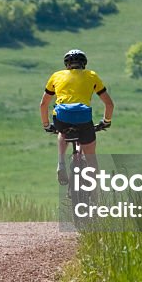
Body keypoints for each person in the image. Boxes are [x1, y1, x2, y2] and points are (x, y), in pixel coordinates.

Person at [39, 49, 114, 184]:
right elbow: (109, 104)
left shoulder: (56, 76)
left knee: (62, 132)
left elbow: (43, 104)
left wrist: (46, 125)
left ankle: (61, 163)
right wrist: (106, 122)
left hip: (61, 118)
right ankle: (94, 196)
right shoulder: (92, 76)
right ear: (84, 64)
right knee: (91, 158)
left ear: (66, 64)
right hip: (83, 119)